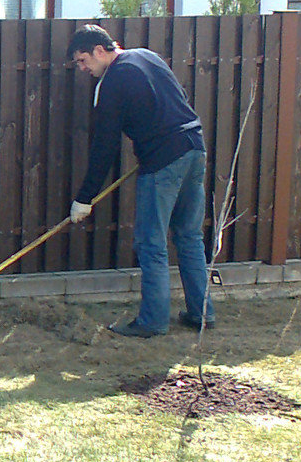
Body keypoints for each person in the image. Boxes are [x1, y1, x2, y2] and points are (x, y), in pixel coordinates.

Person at [66, 24, 214, 338]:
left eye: (83, 61)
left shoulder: (113, 81)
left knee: (152, 244)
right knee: (189, 237)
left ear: (100, 51)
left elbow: (104, 145)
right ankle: (201, 315)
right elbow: (179, 99)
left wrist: (85, 198)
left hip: (163, 162)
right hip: (194, 149)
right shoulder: (148, 57)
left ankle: (152, 322)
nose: (83, 69)